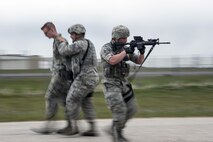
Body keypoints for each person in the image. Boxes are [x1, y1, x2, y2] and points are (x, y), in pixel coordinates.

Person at [100, 25, 145, 142]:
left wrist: (141, 51)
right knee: (120, 110)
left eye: (126, 38)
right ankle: (117, 135)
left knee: (132, 109)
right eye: (123, 38)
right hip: (111, 83)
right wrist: (125, 52)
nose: (125, 40)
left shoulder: (123, 48)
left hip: (123, 83)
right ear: (115, 37)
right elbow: (112, 60)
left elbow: (139, 61)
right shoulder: (106, 48)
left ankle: (115, 129)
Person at [53, 24, 100, 136]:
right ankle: (92, 128)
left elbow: (64, 51)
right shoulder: (87, 43)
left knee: (70, 99)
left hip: (85, 77)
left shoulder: (80, 43)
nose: (71, 36)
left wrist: (61, 41)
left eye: (72, 34)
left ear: (78, 34)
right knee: (86, 102)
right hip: (90, 77)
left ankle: (72, 127)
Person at [32, 22, 73, 134]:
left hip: (60, 75)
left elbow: (66, 55)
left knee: (50, 97)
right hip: (63, 75)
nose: (45, 35)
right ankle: (70, 126)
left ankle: (49, 126)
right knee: (65, 101)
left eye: (46, 32)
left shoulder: (60, 40)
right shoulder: (57, 40)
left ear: (52, 29)